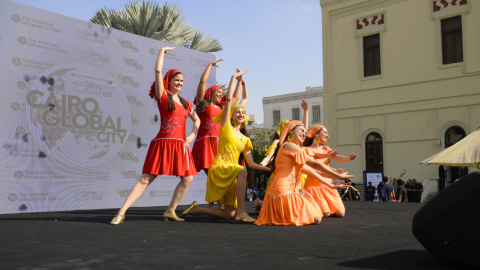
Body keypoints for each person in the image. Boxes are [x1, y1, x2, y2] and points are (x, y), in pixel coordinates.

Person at [111, 47, 200, 224]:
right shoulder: (163, 96)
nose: (180, 83)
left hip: (180, 145)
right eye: (177, 80)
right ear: (169, 80)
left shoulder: (186, 103)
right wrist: (161, 52)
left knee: (188, 178)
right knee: (145, 179)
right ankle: (121, 213)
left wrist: (191, 136)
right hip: (163, 143)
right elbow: (158, 70)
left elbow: (197, 121)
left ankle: (170, 211)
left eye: (182, 81)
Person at [180, 70, 270, 222]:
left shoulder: (245, 139)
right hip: (221, 167)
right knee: (241, 170)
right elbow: (230, 100)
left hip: (232, 173)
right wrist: (234, 78)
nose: (241, 114)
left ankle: (197, 209)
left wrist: (270, 168)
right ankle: (242, 212)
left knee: (229, 215)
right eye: (238, 112)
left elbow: (252, 164)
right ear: (232, 115)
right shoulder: (225, 126)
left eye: (243, 112)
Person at [254, 120, 353, 226]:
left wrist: (331, 184)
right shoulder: (289, 146)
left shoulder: (294, 150)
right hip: (283, 191)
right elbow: (315, 164)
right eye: (301, 130)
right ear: (291, 131)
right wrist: (338, 175)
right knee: (316, 218)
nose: (304, 134)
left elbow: (312, 171)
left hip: (293, 191)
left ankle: (264, 205)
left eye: (305, 132)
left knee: (317, 217)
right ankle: (263, 204)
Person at [192, 61, 248, 209]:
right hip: (205, 142)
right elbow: (202, 82)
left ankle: (214, 204)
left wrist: (239, 81)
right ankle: (218, 203)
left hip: (219, 144)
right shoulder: (202, 104)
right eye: (218, 92)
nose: (221, 95)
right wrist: (209, 65)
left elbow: (235, 98)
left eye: (222, 93)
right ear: (210, 93)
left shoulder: (222, 108)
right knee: (212, 173)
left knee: (216, 174)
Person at [302, 125, 357, 217]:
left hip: (329, 185)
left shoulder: (326, 149)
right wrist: (335, 172)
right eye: (325, 132)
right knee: (326, 213)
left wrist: (348, 158)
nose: (327, 135)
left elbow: (337, 157)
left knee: (341, 213)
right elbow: (314, 165)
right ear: (316, 134)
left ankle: (322, 209)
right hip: (314, 185)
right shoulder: (306, 150)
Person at [259, 99, 310, 191]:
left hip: (298, 175)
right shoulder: (278, 142)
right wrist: (263, 163)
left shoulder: (297, 141)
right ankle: (259, 202)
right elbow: (270, 156)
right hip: (284, 176)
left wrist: (305, 111)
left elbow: (304, 129)